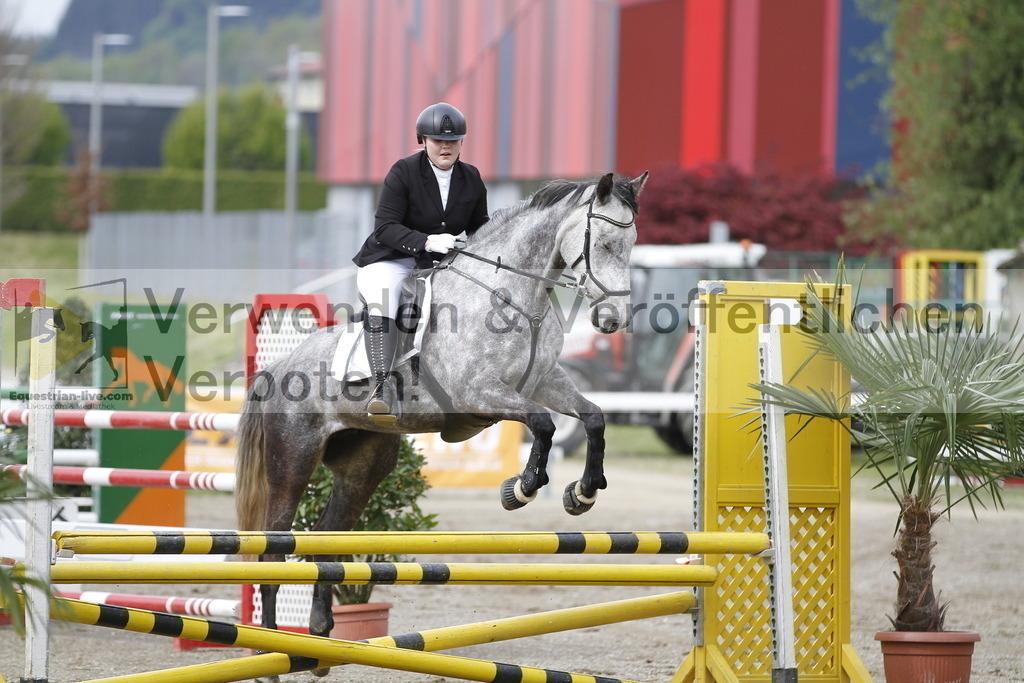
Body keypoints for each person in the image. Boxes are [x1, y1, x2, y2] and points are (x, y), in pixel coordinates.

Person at [352, 102, 489, 424]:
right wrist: (425, 241)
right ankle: (382, 388)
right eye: (438, 140)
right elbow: (384, 227)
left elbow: (481, 226)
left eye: (453, 141)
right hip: (393, 259)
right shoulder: (404, 171)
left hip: (440, 262)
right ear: (422, 141)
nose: (446, 146)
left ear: (461, 143)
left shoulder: (471, 177)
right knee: (385, 294)